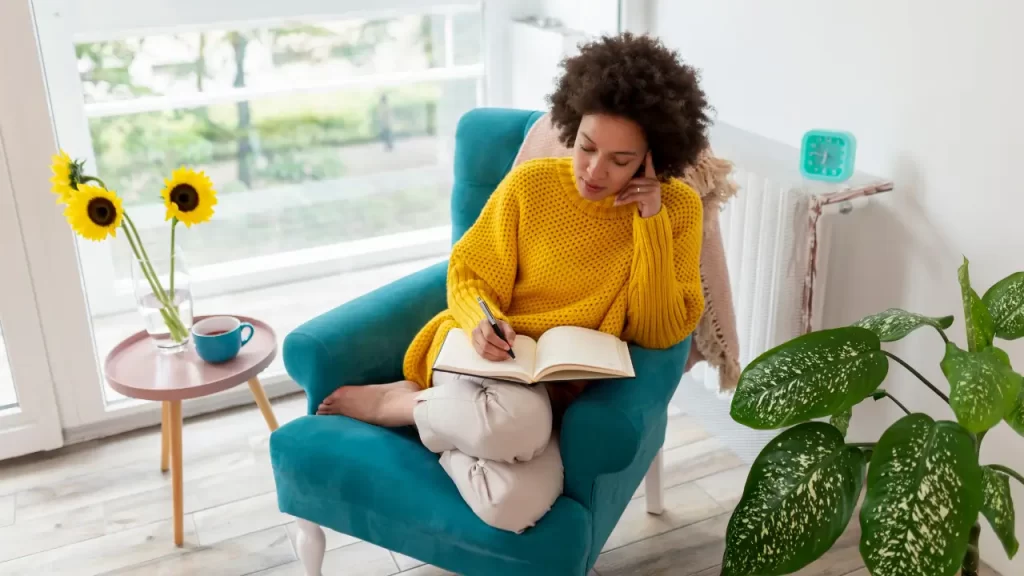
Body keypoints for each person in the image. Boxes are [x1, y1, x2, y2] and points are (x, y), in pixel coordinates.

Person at [316, 33, 709, 534]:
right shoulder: (532, 186)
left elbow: (658, 331)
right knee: (514, 424)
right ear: (573, 124)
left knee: (512, 506)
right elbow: (469, 271)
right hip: (485, 358)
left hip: (553, 390)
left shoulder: (676, 210)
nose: (593, 169)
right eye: (587, 147)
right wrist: (482, 321)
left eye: (621, 160)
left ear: (653, 158)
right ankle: (394, 404)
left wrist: (649, 221)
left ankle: (434, 421)